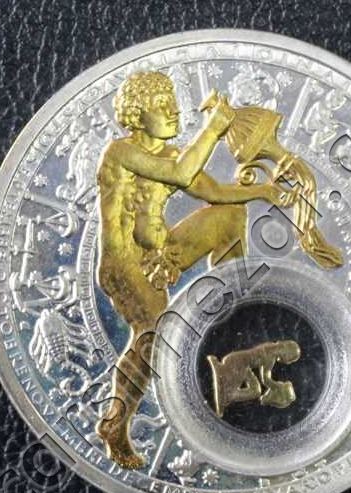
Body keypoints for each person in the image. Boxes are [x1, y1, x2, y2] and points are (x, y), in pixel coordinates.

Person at [95, 71, 293, 468]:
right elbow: (182, 175)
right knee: (153, 335)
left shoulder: (172, 154)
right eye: (161, 106)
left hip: (161, 253)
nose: (173, 112)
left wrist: (263, 191)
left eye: (173, 104)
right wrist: (214, 129)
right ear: (137, 115)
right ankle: (115, 424)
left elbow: (212, 191)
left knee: (229, 215)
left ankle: (230, 312)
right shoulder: (120, 152)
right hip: (124, 265)